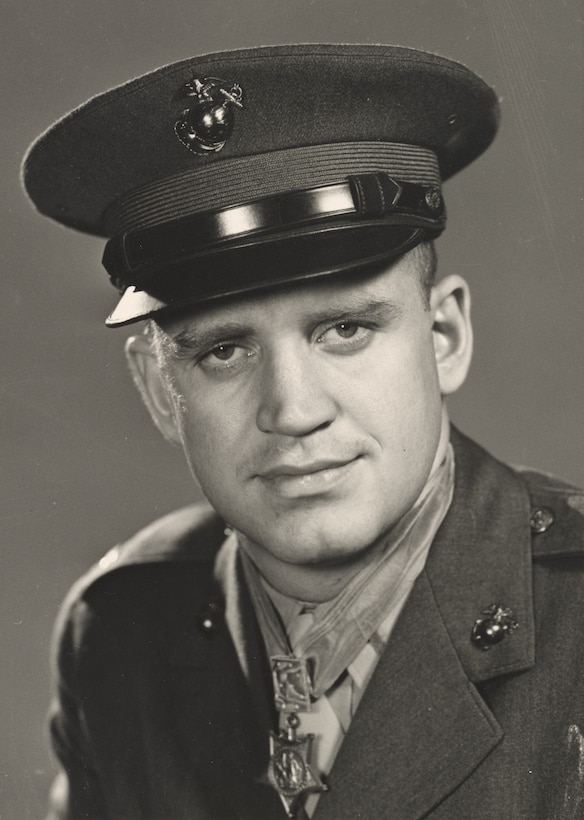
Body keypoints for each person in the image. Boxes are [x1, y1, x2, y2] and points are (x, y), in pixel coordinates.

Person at [22, 44, 584, 820]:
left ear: (445, 335)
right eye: (225, 350)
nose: (292, 410)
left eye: (346, 329)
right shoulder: (119, 632)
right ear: (159, 389)